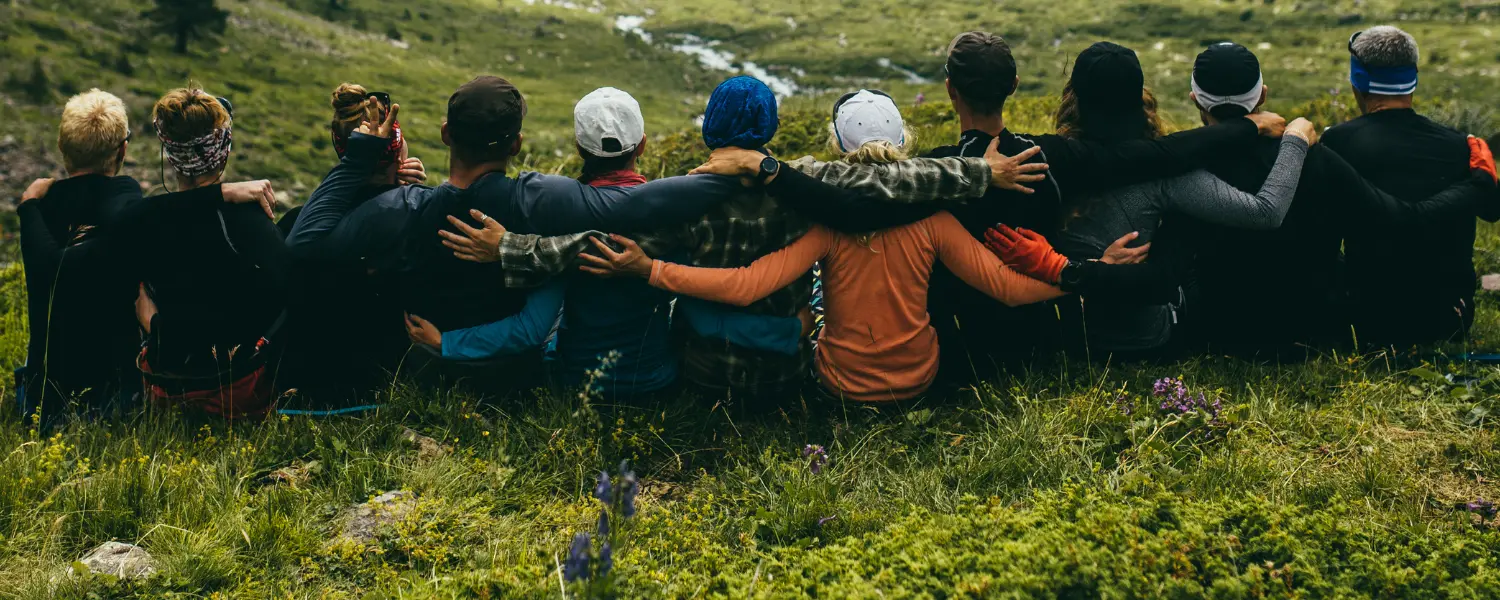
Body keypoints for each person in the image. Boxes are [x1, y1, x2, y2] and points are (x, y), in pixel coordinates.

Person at [439, 77, 1050, 404]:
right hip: (784, 374)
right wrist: (979, 172)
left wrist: (511, 250)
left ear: (708, 131)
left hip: (705, 374)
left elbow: (597, 245)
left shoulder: (681, 198)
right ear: (772, 129)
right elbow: (885, 179)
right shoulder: (802, 181)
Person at [914, 32, 1287, 383]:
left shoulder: (934, 172)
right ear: (1014, 85)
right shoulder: (1044, 157)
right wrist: (1249, 127)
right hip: (1052, 333)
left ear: (950, 88)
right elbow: (1161, 154)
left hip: (975, 345)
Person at [1178, 42, 1500, 354]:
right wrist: (1480, 181)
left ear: (1194, 99)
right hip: (1333, 323)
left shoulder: (1172, 163)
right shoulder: (1460, 147)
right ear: (1263, 94)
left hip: (1225, 325)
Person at [1033, 42, 1318, 359]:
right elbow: (1265, 212)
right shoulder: (1167, 174)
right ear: (1141, 98)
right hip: (1147, 338)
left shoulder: (1049, 164)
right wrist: (1295, 141)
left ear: (1074, 98)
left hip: (1068, 332)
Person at [16, 89, 275, 426]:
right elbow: (151, 213)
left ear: (63, 147)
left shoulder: (41, 206)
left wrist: (28, 207)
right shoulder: (123, 198)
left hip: (40, 403)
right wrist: (222, 192)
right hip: (114, 401)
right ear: (123, 149)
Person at [1321, 26, 1490, 346]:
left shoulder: (1337, 143)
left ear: (1357, 81)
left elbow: (1321, 237)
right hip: (1451, 320)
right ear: (1413, 80)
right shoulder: (1460, 146)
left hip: (1366, 321)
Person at [131, 87, 289, 420]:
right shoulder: (247, 221)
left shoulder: (147, 221)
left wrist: (155, 324)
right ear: (223, 150)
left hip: (166, 380)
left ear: (171, 154)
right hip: (236, 386)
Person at [276, 83, 427, 405]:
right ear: (399, 150)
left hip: (306, 380)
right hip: (388, 380)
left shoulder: (295, 223)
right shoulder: (414, 217)